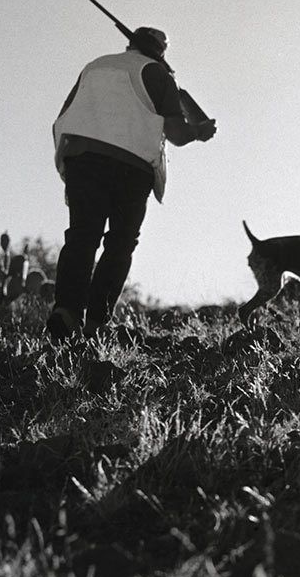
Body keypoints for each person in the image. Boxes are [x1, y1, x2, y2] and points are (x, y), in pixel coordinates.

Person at [47, 26, 216, 341]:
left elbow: (65, 115)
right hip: (133, 166)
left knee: (82, 236)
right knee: (120, 244)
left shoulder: (95, 66)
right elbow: (177, 134)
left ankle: (67, 311)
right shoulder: (158, 74)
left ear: (129, 44)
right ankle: (97, 322)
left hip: (84, 158)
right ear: (160, 51)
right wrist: (200, 131)